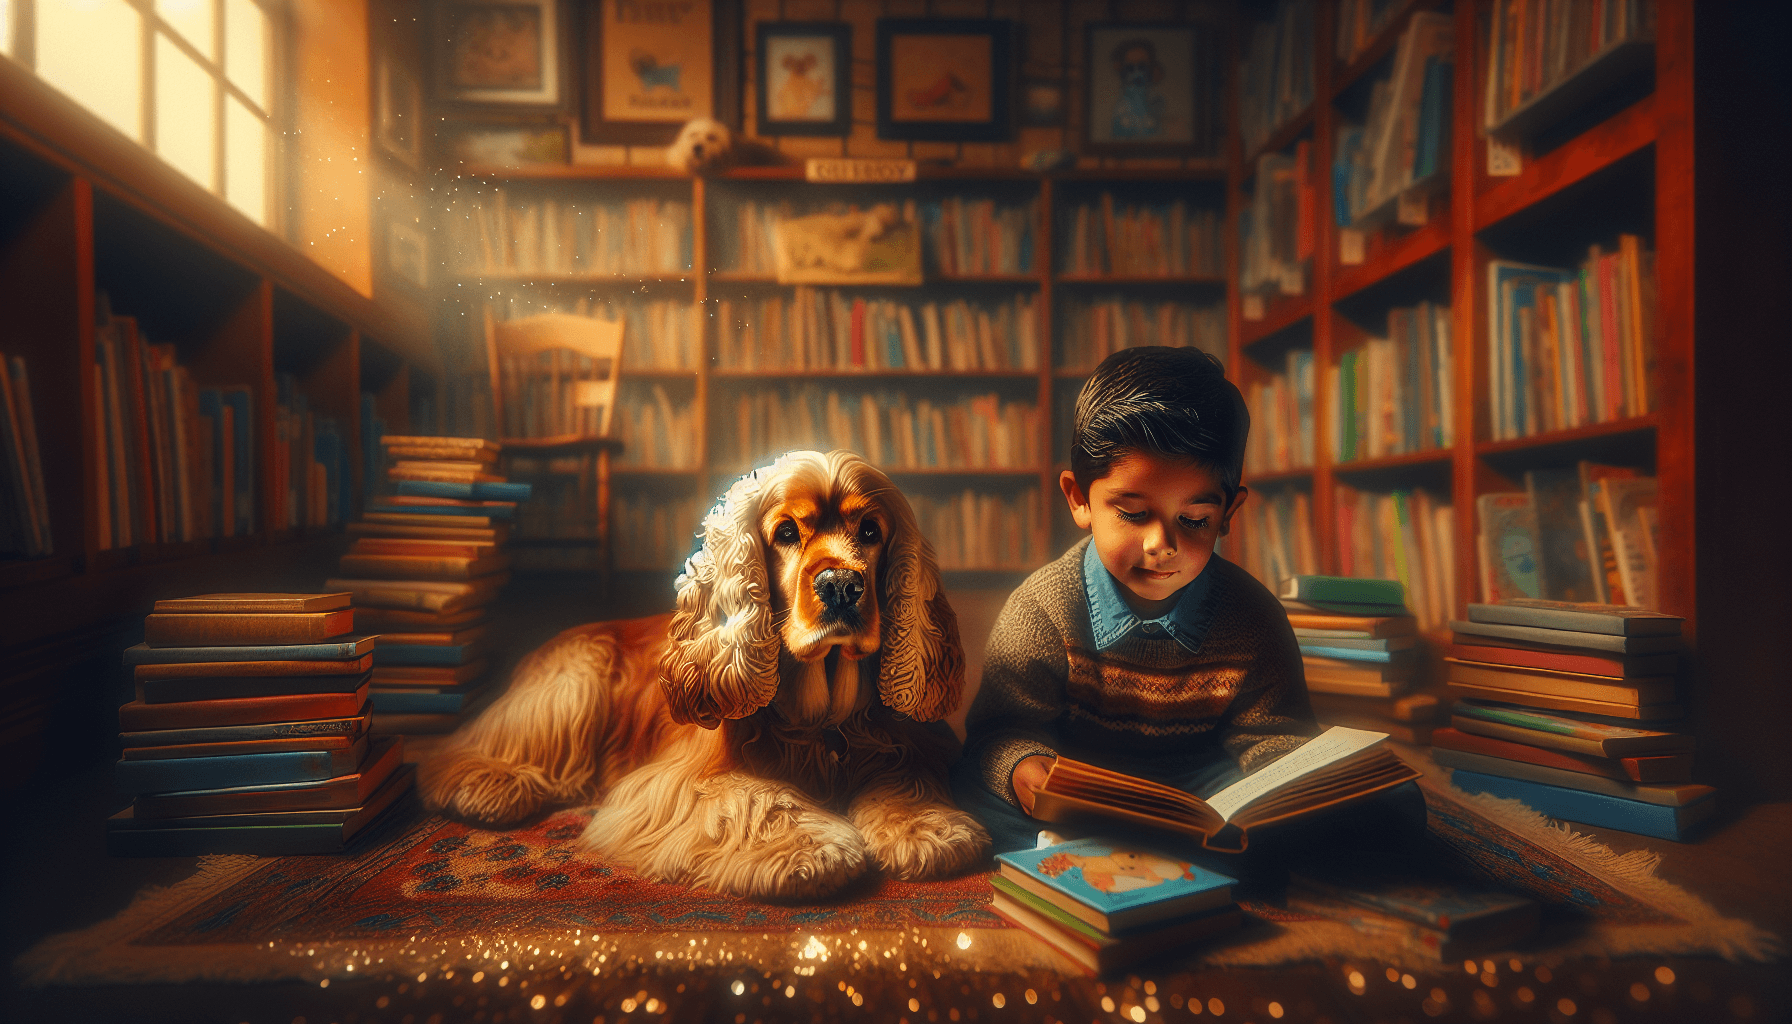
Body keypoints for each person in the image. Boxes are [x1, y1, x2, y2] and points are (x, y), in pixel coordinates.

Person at [951, 346, 1424, 865]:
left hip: (1201, 785)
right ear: (1079, 499)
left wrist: (1286, 786)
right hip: (1079, 788)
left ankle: (1140, 852)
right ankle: (1166, 853)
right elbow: (1000, 732)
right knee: (966, 797)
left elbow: (1273, 737)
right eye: (1132, 514)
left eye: (1194, 519)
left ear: (1228, 512)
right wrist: (1024, 767)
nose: (1163, 544)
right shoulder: (1042, 608)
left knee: (1394, 804)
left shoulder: (1253, 616)